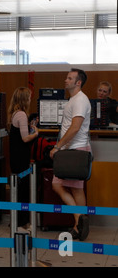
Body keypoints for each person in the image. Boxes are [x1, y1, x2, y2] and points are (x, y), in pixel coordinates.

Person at [50, 68, 91, 241]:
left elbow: (75, 127)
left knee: (58, 185)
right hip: (75, 149)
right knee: (76, 188)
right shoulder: (74, 99)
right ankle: (79, 222)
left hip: (76, 149)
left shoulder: (80, 100)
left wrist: (58, 147)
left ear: (78, 82)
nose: (65, 80)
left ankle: (79, 220)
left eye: (69, 78)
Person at [7, 87, 39, 231]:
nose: (31, 99)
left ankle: (19, 220)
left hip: (15, 156)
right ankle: (21, 223)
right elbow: (25, 138)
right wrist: (36, 133)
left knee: (19, 188)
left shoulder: (15, 113)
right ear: (25, 99)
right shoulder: (21, 115)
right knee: (23, 189)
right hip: (21, 158)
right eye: (29, 97)